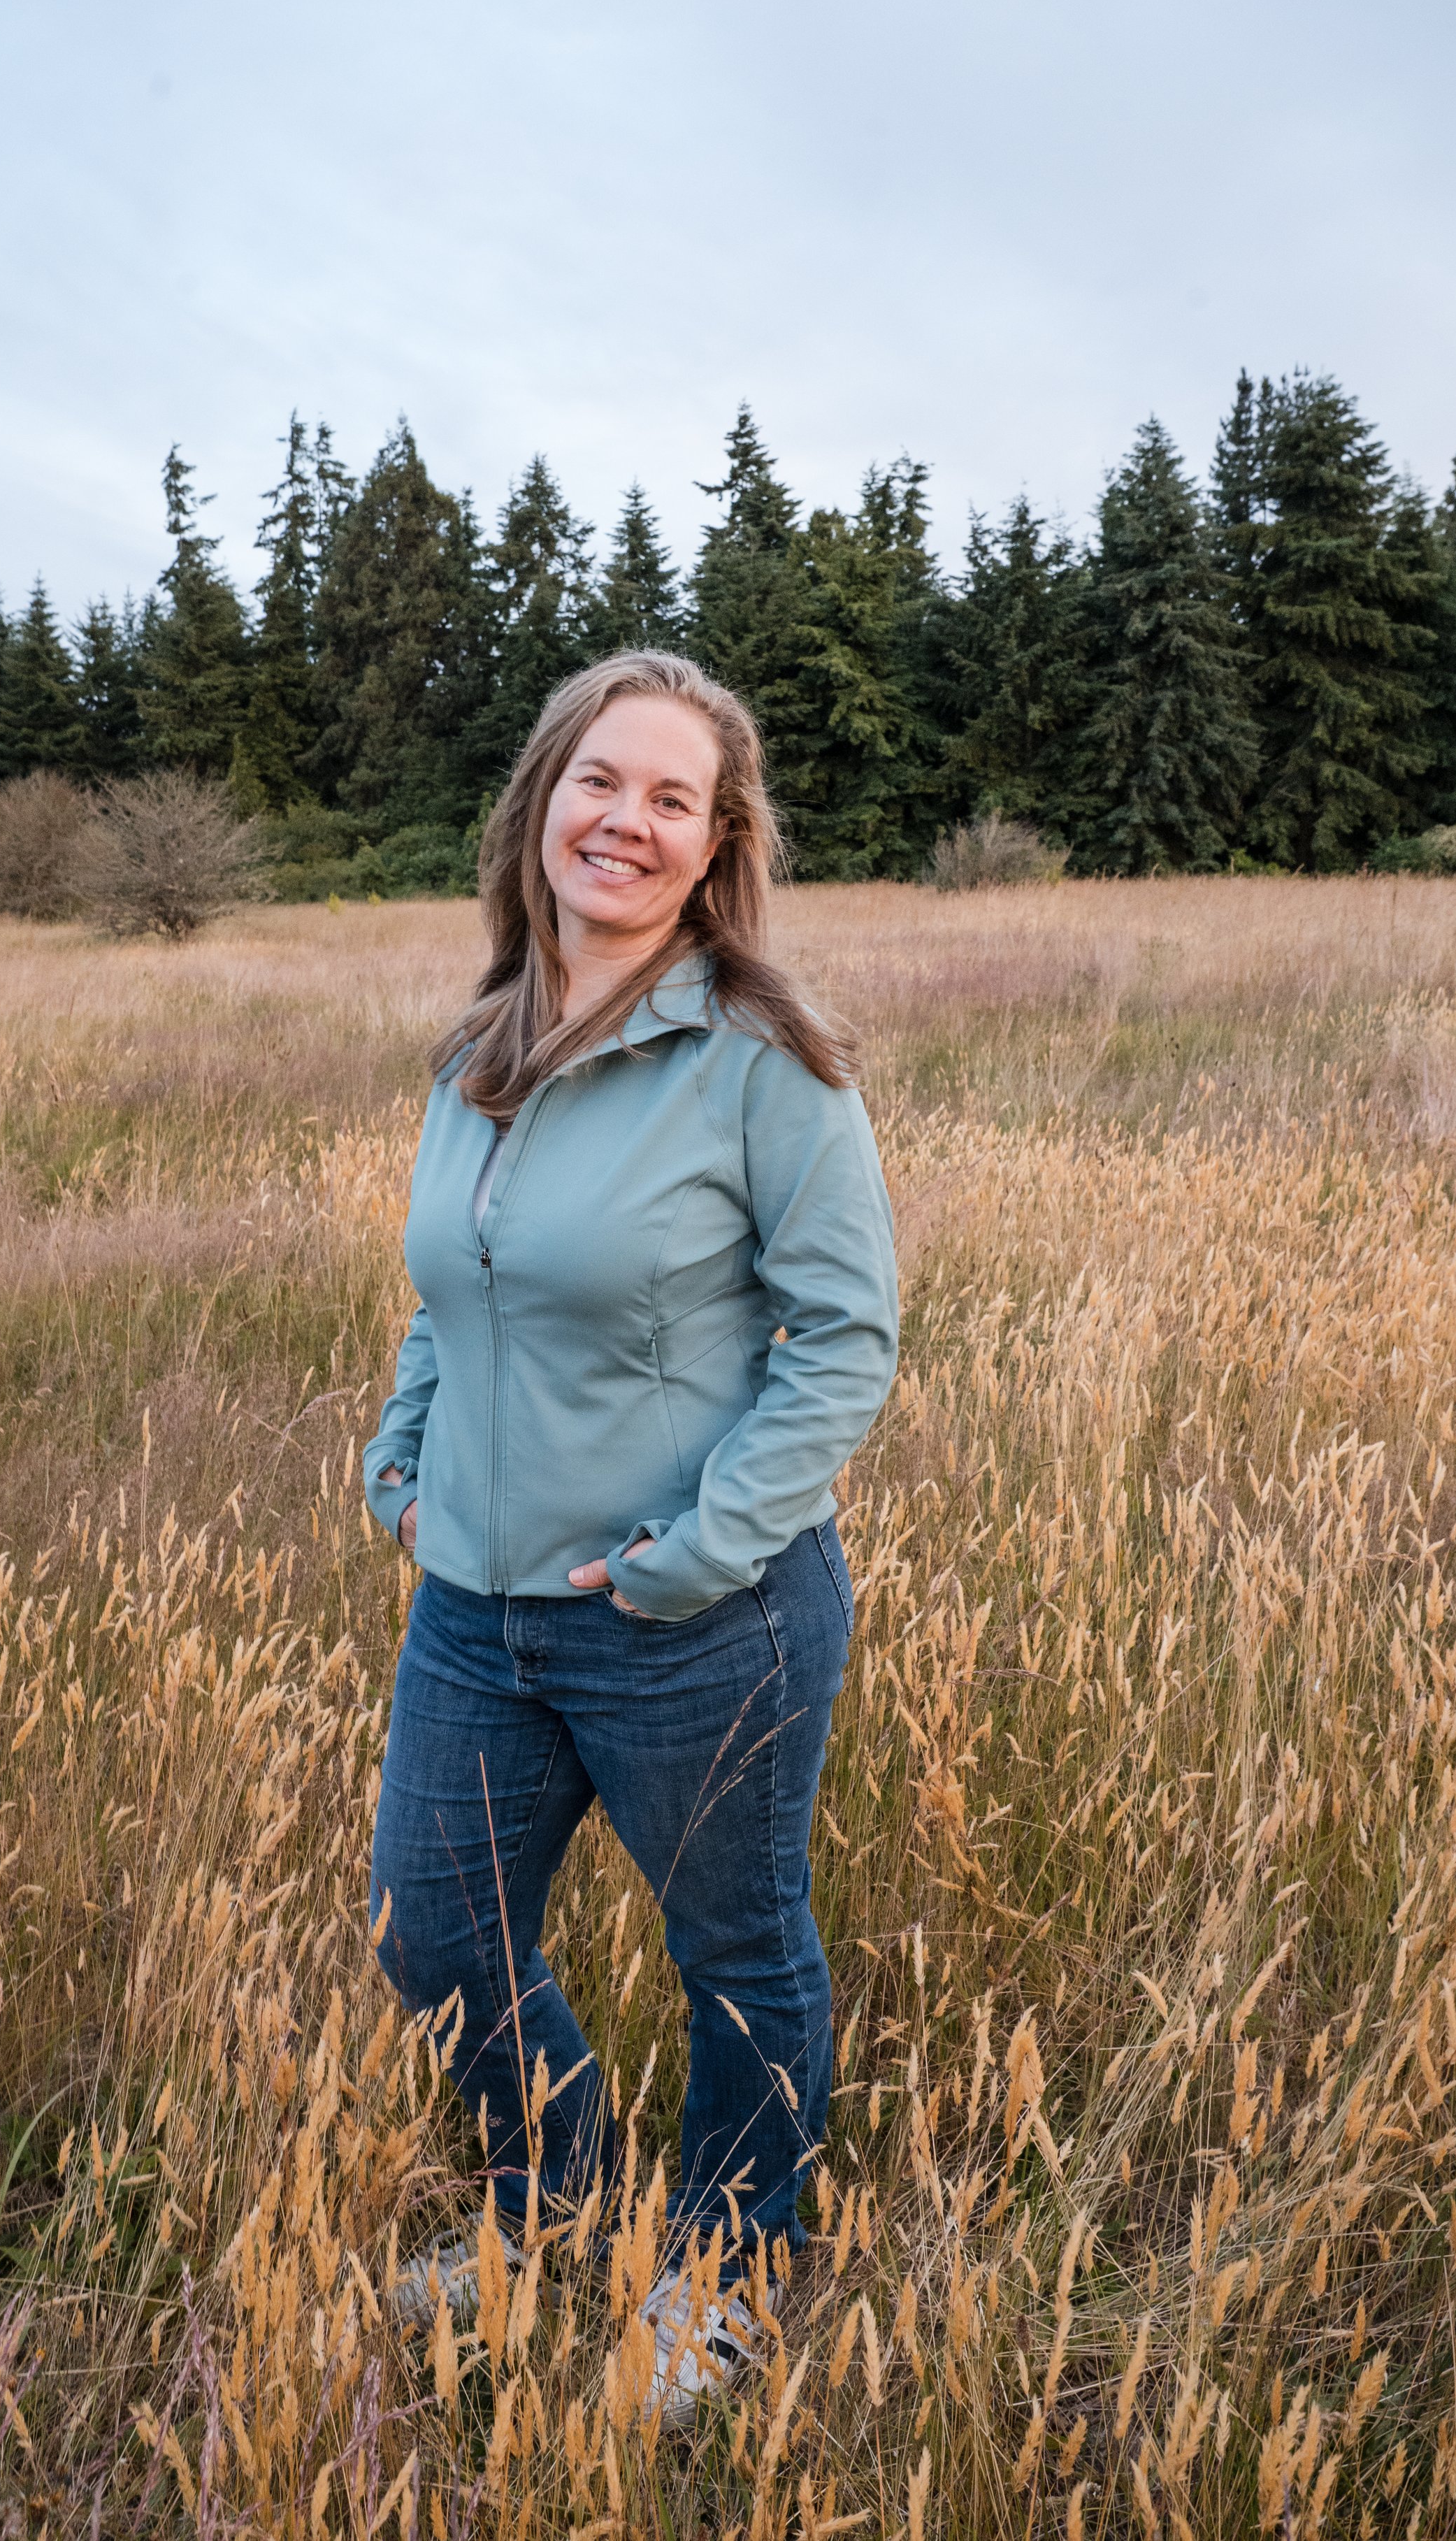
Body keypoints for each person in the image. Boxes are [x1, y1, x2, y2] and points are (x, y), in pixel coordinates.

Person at [363, 650, 898, 2420]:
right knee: (436, 1940)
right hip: (472, 1611)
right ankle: (555, 2209)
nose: (627, 820)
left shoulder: (763, 1064)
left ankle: (730, 2273)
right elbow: (457, 1288)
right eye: (602, 781)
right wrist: (405, 1449)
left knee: (735, 1960)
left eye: (673, 797)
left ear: (716, 841)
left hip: (695, 1614)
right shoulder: (481, 1050)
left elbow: (844, 1342)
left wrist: (689, 1552)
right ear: (542, 802)